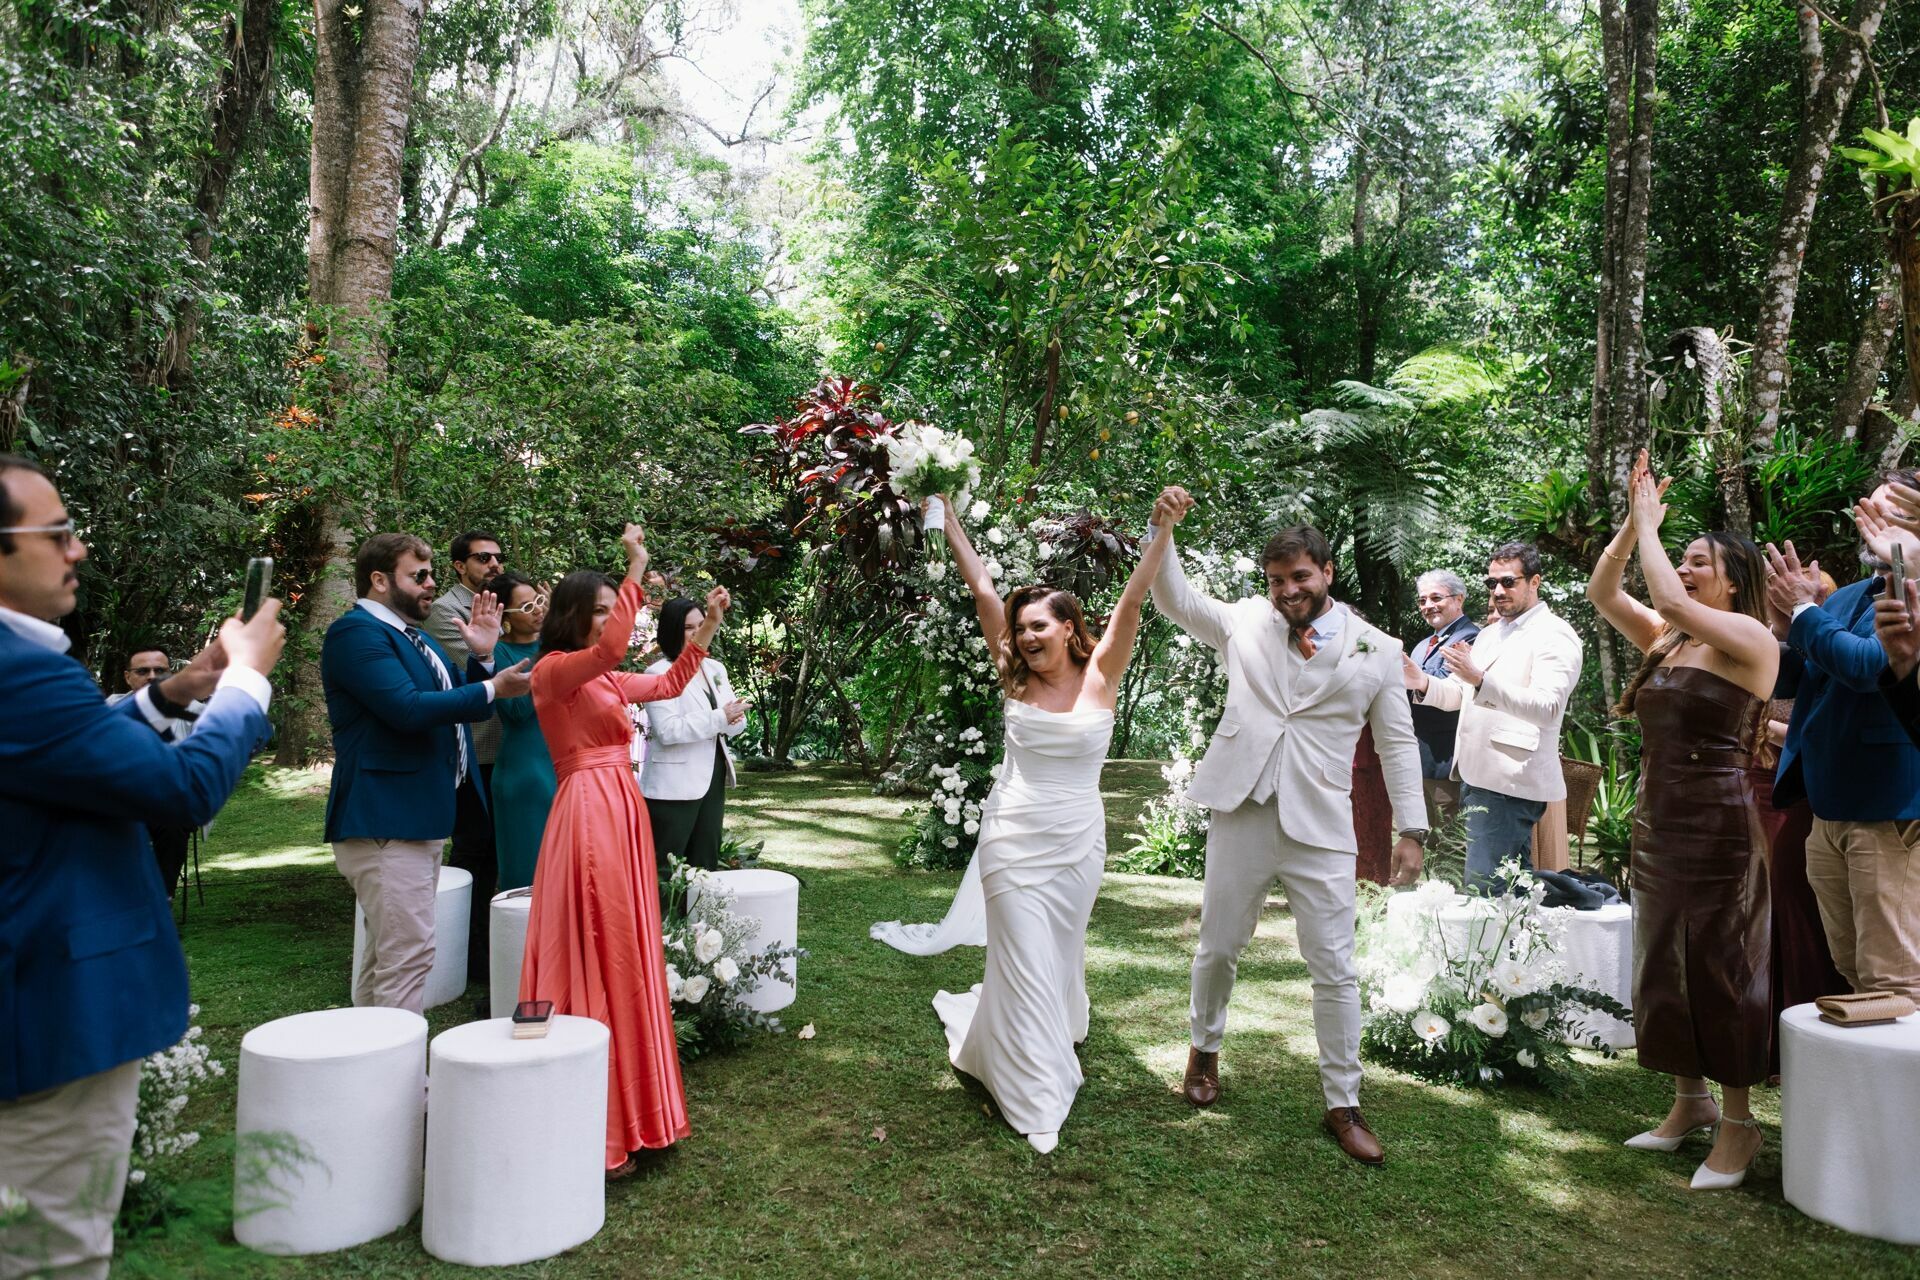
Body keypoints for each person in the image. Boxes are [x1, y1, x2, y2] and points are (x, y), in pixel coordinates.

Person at [0, 453, 284, 1280]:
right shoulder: (19, 672)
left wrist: (177, 692)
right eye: (55, 533)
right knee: (56, 1254)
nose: (77, 550)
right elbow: (182, 790)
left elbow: (68, 749)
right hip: (48, 1017)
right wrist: (246, 687)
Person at [1149, 486, 1426, 1166]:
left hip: (1322, 822)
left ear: (1327, 573)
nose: (1287, 590)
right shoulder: (1244, 620)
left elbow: (1396, 745)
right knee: (1217, 948)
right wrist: (1162, 531)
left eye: (1300, 577)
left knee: (1334, 966)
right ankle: (1204, 1050)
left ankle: (1343, 1103)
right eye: (1277, 580)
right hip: (1242, 808)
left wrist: (1411, 830)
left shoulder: (1377, 649)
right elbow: (1175, 601)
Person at [926, 490, 1172, 1155]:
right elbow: (980, 586)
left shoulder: (1101, 678)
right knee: (1023, 953)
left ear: (1069, 628)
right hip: (1011, 840)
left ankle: (1039, 1029)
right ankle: (1035, 1092)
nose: (1028, 636)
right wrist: (948, 518)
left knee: (1056, 952)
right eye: (1022, 627)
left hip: (1076, 844)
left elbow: (1131, 605)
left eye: (1041, 626)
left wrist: (1162, 531)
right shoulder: (1014, 677)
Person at [1586, 451, 1779, 1190]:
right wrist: (1632, 533)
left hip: (1720, 831)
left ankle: (1739, 1125)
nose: (1688, 570)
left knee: (1720, 966)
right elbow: (1604, 591)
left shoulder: (1751, 643)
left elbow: (1665, 597)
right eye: (1685, 559)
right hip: (1659, 822)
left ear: (1733, 580)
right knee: (1664, 959)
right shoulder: (1671, 643)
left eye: (1702, 562)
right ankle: (1688, 1104)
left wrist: (1650, 528)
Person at [517, 524, 727, 1178]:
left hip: (621, 807)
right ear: (575, 615)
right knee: (596, 941)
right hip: (586, 810)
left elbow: (666, 686)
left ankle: (640, 1113)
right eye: (603, 608)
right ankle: (597, 1123)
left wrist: (708, 628)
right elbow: (611, 650)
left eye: (617, 606)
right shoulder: (554, 672)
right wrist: (636, 565)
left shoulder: (603, 680)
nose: (614, 620)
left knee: (629, 943)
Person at [321, 533, 533, 1014]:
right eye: (419, 576)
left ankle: (376, 1071)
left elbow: (459, 707)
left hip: (417, 817)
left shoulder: (411, 639)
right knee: (406, 958)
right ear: (379, 580)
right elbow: (408, 710)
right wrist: (493, 688)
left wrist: (481, 659)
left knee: (388, 958)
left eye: (432, 574)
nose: (431, 584)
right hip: (386, 820)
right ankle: (401, 1086)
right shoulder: (356, 634)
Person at [1764, 473, 1920, 1008]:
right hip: (1828, 808)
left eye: (1891, 515)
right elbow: (1795, 680)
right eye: (1868, 513)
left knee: (1895, 979)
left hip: (1889, 808)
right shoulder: (1850, 593)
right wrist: (1781, 626)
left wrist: (1806, 612)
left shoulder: (1915, 592)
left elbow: (1866, 666)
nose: (1873, 528)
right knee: (1853, 968)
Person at [1405, 542, 1582, 889]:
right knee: (1511, 886)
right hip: (1474, 776)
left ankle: (1583, 898)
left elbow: (1547, 708)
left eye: (1508, 582)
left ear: (1534, 582)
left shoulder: (1555, 633)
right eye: (1491, 583)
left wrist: (1481, 680)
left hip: (1511, 780)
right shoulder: (1489, 635)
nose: (1498, 591)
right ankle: (1581, 899)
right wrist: (1420, 680)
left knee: (1484, 889)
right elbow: (1457, 693)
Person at [426, 530, 507, 984]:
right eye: (483, 558)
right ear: (460, 566)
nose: (493, 565)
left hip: (510, 750)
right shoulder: (445, 612)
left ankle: (494, 945)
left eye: (497, 558)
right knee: (474, 854)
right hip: (477, 753)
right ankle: (465, 952)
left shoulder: (504, 606)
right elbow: (474, 667)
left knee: (498, 853)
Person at [642, 597, 750, 887]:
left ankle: (700, 929)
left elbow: (729, 720)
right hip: (673, 782)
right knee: (665, 864)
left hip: (713, 773)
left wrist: (736, 720)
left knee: (705, 859)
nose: (696, 632)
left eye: (701, 625)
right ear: (671, 630)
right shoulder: (657, 673)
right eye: (688, 627)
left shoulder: (715, 669)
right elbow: (668, 730)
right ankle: (661, 928)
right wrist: (720, 718)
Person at [107, 647, 200, 897]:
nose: (151, 676)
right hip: (118, 804)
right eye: (142, 671)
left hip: (168, 803)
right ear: (128, 677)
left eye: (159, 670)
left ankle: (161, 899)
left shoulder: (193, 711)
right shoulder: (109, 709)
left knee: (173, 822)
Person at [489, 572, 556, 891]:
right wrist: (550, 650)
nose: (539, 610)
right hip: (524, 772)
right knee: (527, 872)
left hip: (559, 761)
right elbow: (517, 711)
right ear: (505, 617)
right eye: (528, 606)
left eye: (541, 601)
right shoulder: (499, 653)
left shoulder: (554, 643)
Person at [1405, 569, 1480, 820]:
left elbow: (1448, 688)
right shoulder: (1421, 645)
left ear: (1459, 599)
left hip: (1445, 760)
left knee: (1450, 842)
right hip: (1418, 756)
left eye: (1436, 598)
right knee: (1423, 839)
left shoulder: (1470, 636)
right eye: (1422, 600)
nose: (1428, 606)